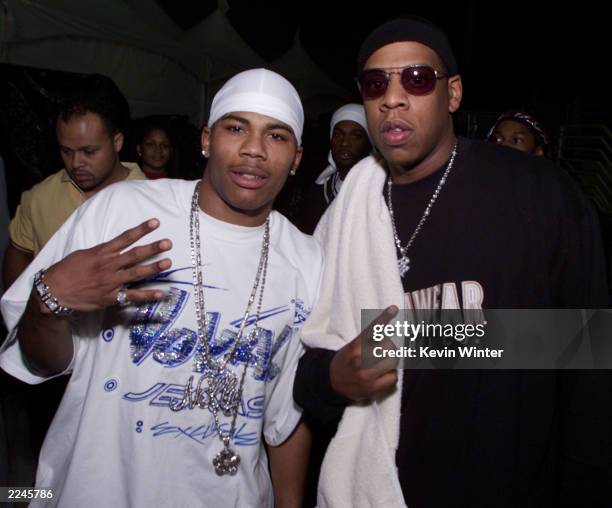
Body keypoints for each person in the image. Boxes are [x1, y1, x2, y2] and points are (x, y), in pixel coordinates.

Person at [294, 17, 611, 508]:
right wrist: (332, 378)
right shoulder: (347, 212)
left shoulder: (540, 196)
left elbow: (587, 359)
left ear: (454, 93)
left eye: (417, 79)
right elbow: (304, 362)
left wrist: (405, 335)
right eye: (376, 83)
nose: (393, 98)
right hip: (378, 486)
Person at [0, 68, 322, 508]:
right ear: (207, 140)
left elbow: (286, 421)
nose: (253, 150)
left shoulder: (308, 259)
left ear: (298, 157)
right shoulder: (121, 211)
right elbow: (42, 363)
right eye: (236, 128)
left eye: (277, 136)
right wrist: (46, 300)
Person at [3, 79, 145, 290]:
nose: (76, 163)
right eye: (66, 151)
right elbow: (19, 251)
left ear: (117, 142)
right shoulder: (39, 198)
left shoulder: (150, 199)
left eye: (89, 151)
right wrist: (24, 313)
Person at [297, 104, 372, 234]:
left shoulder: (380, 192)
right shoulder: (319, 192)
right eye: (338, 134)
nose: (344, 143)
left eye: (355, 136)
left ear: (370, 142)